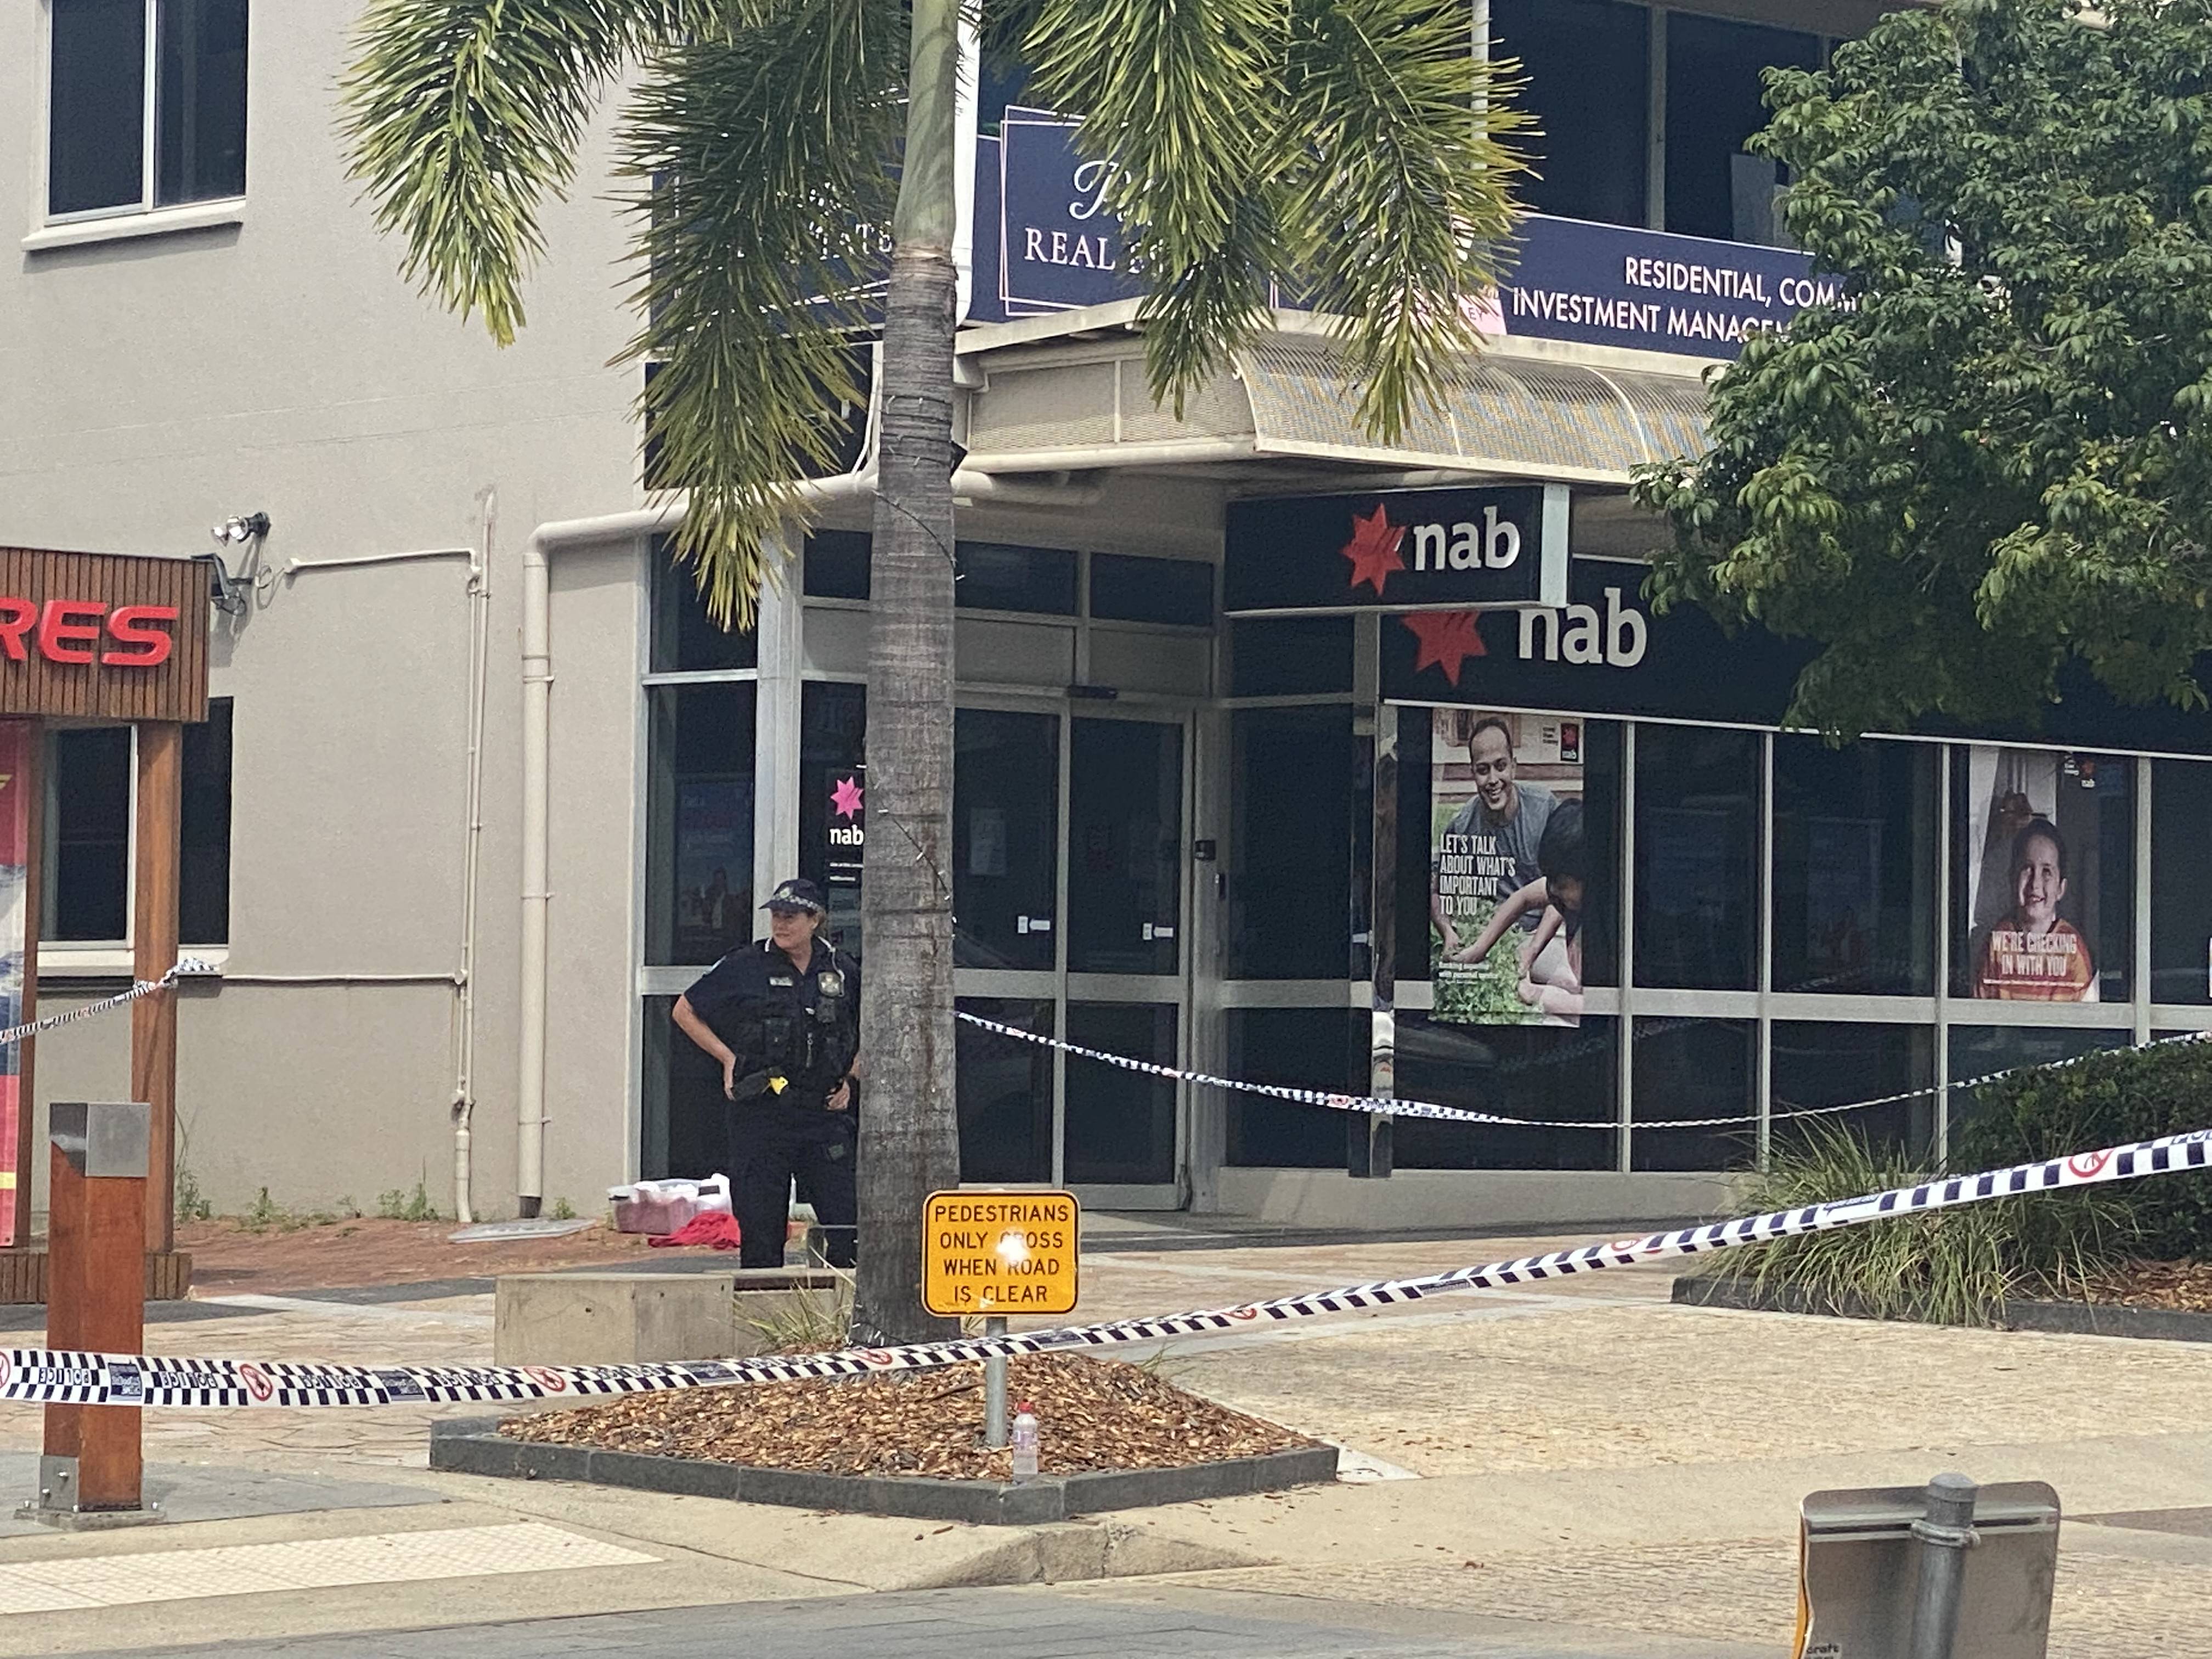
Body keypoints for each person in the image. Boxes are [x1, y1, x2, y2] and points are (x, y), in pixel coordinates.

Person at [672, 877, 864, 1266]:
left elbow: (868, 1026)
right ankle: (765, 1314)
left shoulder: (840, 969)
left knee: (846, 1225)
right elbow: (684, 1010)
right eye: (777, 915)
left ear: (815, 920)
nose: (781, 925)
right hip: (763, 1112)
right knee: (761, 1228)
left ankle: (841, 1318)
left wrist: (852, 1078)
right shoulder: (746, 965)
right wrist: (728, 1059)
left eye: (791, 916)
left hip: (823, 1113)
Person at [1431, 715, 1558, 956]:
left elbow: (1564, 890)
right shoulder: (1462, 827)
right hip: (1492, 939)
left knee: (1564, 981)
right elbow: (1437, 890)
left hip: (1545, 932)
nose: (1492, 780)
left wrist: (1532, 952)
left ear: (1514, 766)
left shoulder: (1545, 809)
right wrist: (1448, 932)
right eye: (1483, 770)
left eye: (1500, 766)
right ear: (1472, 773)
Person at [1453, 800, 1586, 1021]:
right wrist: (1480, 948)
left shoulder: (1610, 919)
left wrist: (1537, 994)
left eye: (1561, 884)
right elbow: (1523, 898)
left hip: (1598, 1014)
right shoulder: (1567, 893)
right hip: (1577, 972)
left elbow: (1606, 1006)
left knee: (1546, 1016)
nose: (1552, 890)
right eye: (1550, 880)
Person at [1972, 819, 2097, 1001]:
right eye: (2027, 869)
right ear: (2012, 879)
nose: (2035, 883)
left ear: (2061, 888)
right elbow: (1978, 1017)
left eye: (2047, 871)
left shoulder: (2074, 951)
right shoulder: (1996, 944)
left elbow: (2087, 1023)